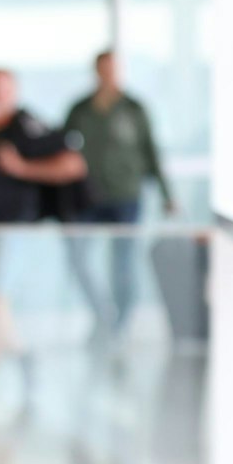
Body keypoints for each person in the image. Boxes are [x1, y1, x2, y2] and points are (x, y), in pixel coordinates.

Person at [0, 68, 88, 379]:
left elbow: (73, 165)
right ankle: (22, 361)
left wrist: (21, 167)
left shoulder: (27, 126)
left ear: (13, 92)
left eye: (3, 89)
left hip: (13, 228)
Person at [63, 49, 175, 336]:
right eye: (104, 68)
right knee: (77, 257)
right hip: (88, 197)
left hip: (126, 196)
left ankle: (120, 325)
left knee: (123, 263)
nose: (109, 74)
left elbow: (151, 152)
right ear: (96, 71)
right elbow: (62, 150)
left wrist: (167, 195)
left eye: (114, 69)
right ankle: (102, 313)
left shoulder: (134, 109)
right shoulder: (80, 109)